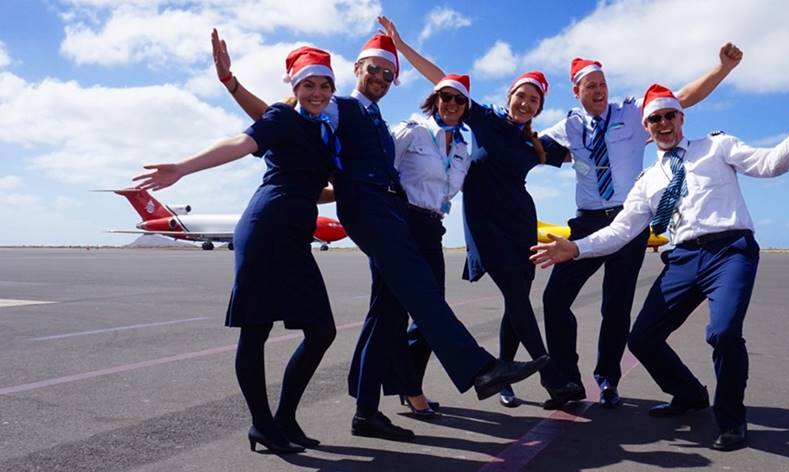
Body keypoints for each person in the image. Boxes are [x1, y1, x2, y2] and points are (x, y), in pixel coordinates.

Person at [212, 29, 548, 441]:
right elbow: (278, 121)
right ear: (357, 69)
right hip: (378, 213)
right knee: (421, 292)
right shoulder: (345, 107)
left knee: (389, 316)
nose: (382, 79)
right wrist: (232, 85)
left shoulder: (384, 120)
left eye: (390, 75)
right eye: (375, 70)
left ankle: (367, 410)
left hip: (397, 215)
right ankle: (477, 368)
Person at [531, 84, 789, 450]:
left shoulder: (717, 146)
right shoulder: (647, 181)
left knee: (724, 333)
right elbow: (621, 231)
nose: (663, 123)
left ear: (682, 118)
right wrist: (577, 248)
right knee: (642, 339)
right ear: (646, 128)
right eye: (654, 119)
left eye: (669, 116)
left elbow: (768, 164)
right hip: (682, 258)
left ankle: (731, 420)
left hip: (729, 251)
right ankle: (688, 393)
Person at [133, 46, 342, 454]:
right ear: (296, 88)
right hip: (265, 230)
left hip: (294, 234)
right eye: (309, 84)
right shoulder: (282, 118)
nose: (317, 92)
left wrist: (357, 194)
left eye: (324, 85)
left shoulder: (321, 132)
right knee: (256, 329)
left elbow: (310, 189)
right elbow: (240, 142)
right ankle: (263, 424)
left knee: (321, 331)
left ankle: (283, 419)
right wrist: (182, 167)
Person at [379, 16, 584, 410]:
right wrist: (401, 47)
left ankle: (507, 376)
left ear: (540, 106)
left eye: (534, 99)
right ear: (510, 96)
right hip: (485, 225)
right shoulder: (486, 120)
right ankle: (553, 376)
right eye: (521, 95)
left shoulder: (537, 145)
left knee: (517, 298)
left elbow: (589, 149)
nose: (525, 103)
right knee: (513, 295)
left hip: (520, 223)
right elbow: (444, 81)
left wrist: (642, 130)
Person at [539, 46, 742, 408]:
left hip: (627, 220)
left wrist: (722, 68)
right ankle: (567, 381)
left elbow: (681, 97)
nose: (599, 90)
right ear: (576, 92)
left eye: (602, 83)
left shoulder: (632, 113)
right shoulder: (567, 125)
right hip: (586, 221)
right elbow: (531, 146)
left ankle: (607, 380)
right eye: (590, 86)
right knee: (554, 299)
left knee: (616, 307)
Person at [380, 73, 475, 418]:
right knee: (395, 313)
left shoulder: (464, 147)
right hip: (403, 222)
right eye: (445, 97)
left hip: (433, 226)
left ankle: (408, 385)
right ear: (434, 100)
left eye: (459, 100)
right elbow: (383, 171)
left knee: (429, 314)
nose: (451, 104)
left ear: (466, 107)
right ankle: (401, 392)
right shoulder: (412, 130)